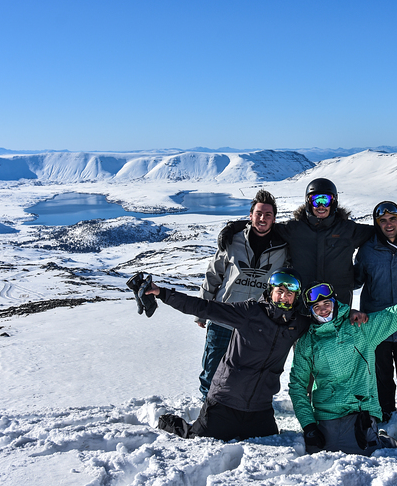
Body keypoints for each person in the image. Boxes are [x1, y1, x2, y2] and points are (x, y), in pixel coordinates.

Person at [289, 278, 397, 455]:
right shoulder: (307, 343)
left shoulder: (360, 328)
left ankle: (378, 437)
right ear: (310, 312)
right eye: (316, 307)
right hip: (327, 417)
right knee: (321, 450)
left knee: (364, 451)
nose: (323, 310)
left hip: (360, 413)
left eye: (326, 303)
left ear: (334, 302)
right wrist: (309, 426)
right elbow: (297, 386)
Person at [143, 268, 310, 441]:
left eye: (290, 293)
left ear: (296, 297)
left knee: (271, 442)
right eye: (280, 291)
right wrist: (161, 293)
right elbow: (204, 308)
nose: (284, 297)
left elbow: (323, 322)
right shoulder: (250, 312)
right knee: (197, 438)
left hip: (259, 408)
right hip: (225, 401)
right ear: (270, 291)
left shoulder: (297, 324)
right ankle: (166, 422)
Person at [195, 189, 288, 401]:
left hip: (256, 323)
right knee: (212, 370)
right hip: (223, 317)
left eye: (268, 215)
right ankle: (206, 411)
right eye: (258, 213)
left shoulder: (283, 246)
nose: (262, 218)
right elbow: (213, 275)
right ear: (250, 215)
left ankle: (242, 412)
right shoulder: (232, 240)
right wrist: (201, 312)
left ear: (274, 219)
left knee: (249, 373)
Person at [219, 178, 374, 305]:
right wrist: (233, 227)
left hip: (337, 304)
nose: (320, 205)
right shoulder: (294, 229)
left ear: (333, 202)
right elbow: (264, 225)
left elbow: (381, 233)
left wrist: (357, 279)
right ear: (308, 202)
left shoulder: (348, 230)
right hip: (302, 305)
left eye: (325, 200)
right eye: (315, 200)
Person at [354, 201, 397, 421]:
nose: (388, 224)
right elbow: (356, 280)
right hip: (377, 327)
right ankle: (384, 417)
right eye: (382, 221)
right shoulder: (367, 249)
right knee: (381, 379)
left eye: (392, 219)